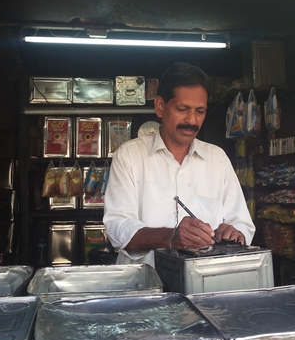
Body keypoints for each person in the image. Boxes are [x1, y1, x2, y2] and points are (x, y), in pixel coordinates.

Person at [103, 62, 256, 267]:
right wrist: (171, 237)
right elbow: (118, 228)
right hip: (146, 285)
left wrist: (233, 233)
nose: (191, 120)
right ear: (160, 107)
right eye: (182, 109)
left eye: (200, 111)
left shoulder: (217, 159)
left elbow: (242, 224)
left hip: (206, 283)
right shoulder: (130, 156)